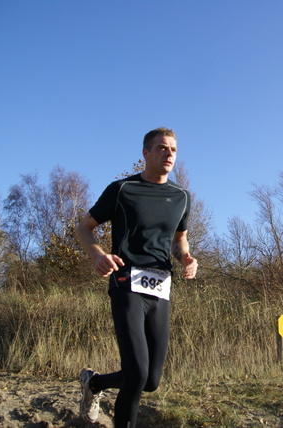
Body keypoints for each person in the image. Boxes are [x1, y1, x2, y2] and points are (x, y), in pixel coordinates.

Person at [75, 127, 198, 427]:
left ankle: (94, 384)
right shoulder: (122, 190)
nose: (169, 154)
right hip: (126, 281)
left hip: (161, 286)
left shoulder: (181, 196)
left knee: (151, 380)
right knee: (137, 373)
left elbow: (180, 239)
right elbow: (83, 227)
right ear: (145, 153)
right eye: (161, 148)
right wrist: (98, 255)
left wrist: (186, 258)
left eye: (173, 149)